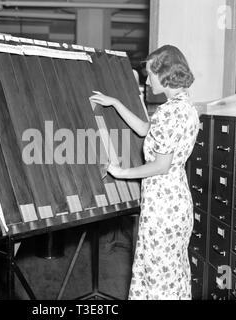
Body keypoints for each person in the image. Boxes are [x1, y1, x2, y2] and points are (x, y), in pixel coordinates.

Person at [90, 45, 199, 300]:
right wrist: (115, 103)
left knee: (157, 279)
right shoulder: (184, 108)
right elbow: (144, 129)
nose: (147, 81)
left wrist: (121, 172)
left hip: (163, 207)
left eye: (150, 74)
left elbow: (160, 165)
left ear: (165, 74)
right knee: (172, 275)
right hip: (176, 202)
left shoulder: (170, 113)